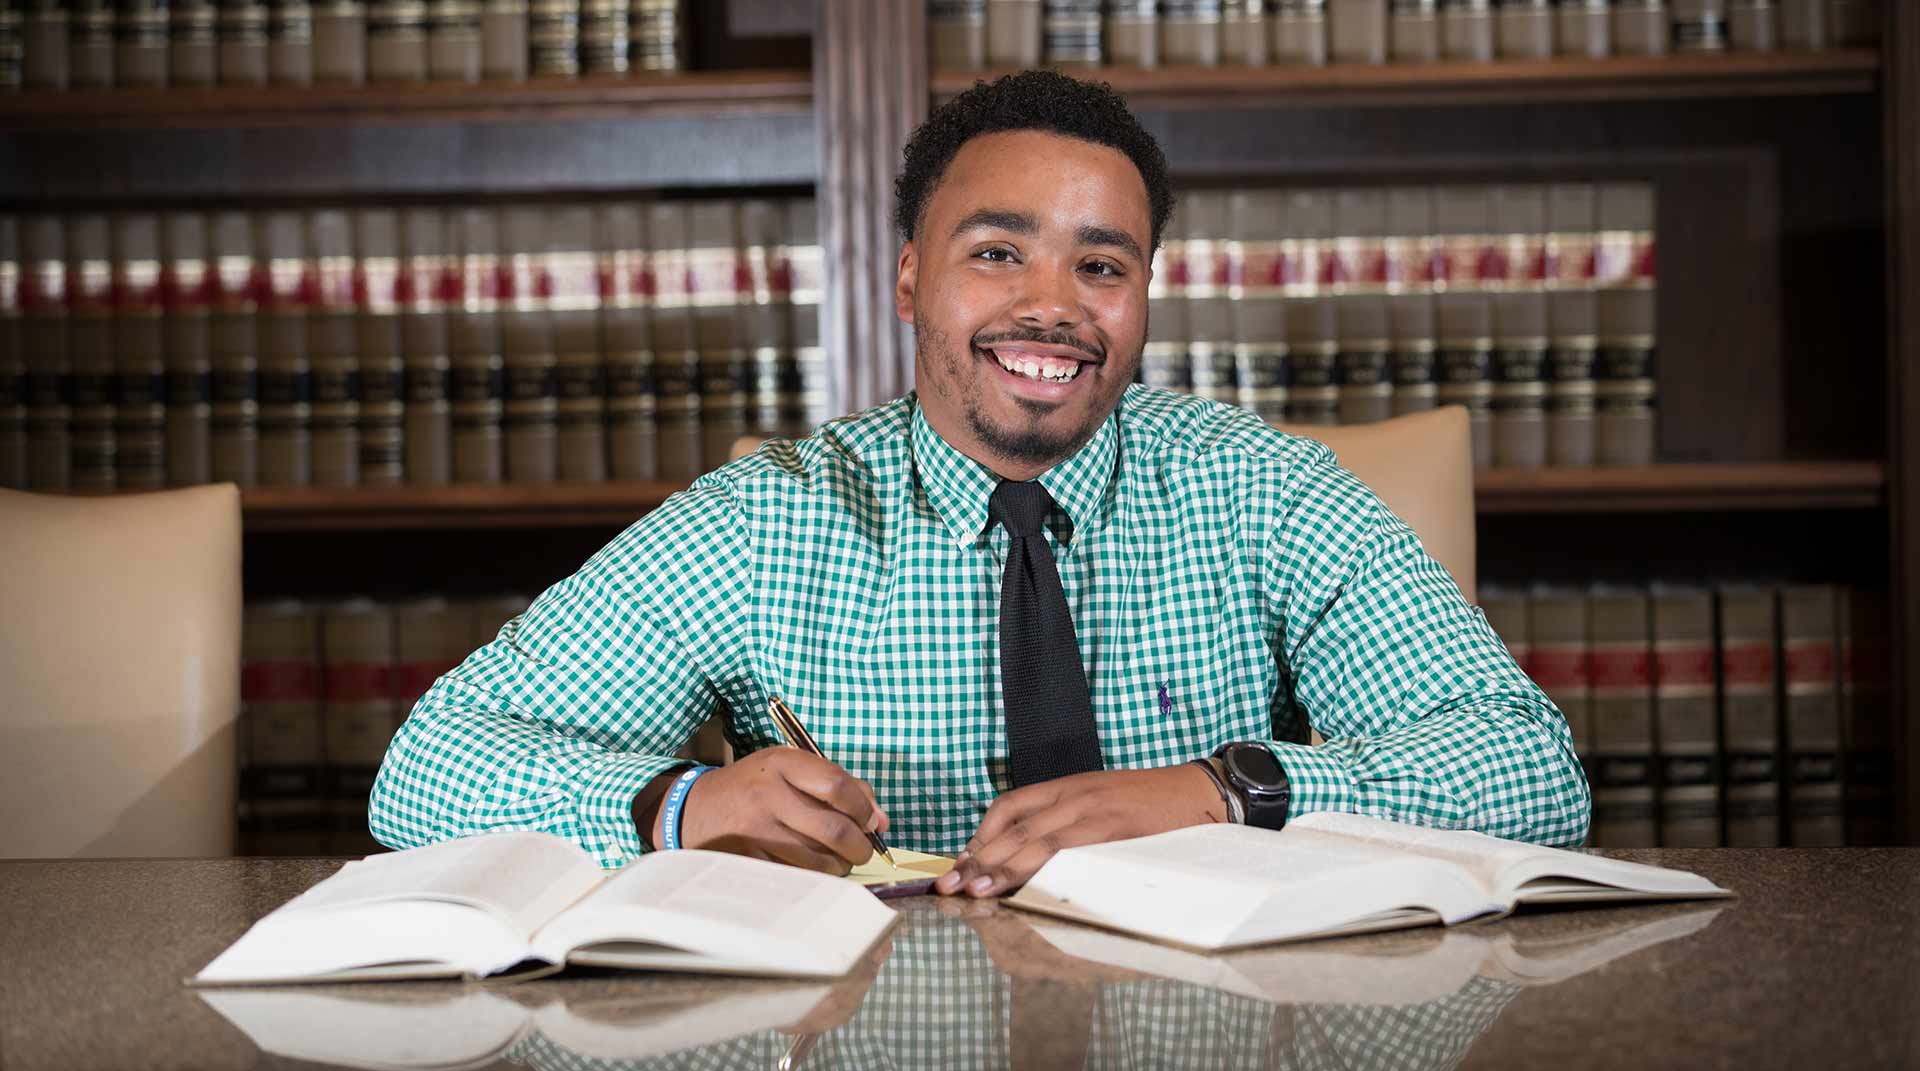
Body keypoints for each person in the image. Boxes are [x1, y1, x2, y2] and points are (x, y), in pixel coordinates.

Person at [369, 70, 1589, 899]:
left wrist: (1227, 791)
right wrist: (671, 808)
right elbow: (428, 767)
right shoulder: (763, 521)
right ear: (909, 280)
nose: (1053, 306)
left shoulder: (1267, 492)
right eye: (997, 251)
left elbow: (1531, 770)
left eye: (1101, 264)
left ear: (1147, 296)